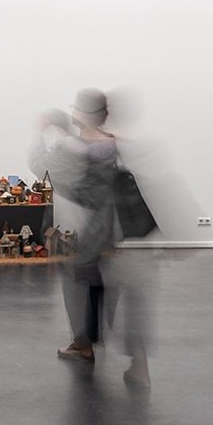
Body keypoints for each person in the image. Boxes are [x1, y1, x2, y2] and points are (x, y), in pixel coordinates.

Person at [31, 90, 136, 372]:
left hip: (85, 229)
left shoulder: (74, 148)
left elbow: (39, 166)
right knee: (98, 284)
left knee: (77, 284)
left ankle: (84, 343)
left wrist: (44, 132)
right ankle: (108, 346)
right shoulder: (112, 145)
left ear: (82, 114)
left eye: (75, 108)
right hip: (108, 229)